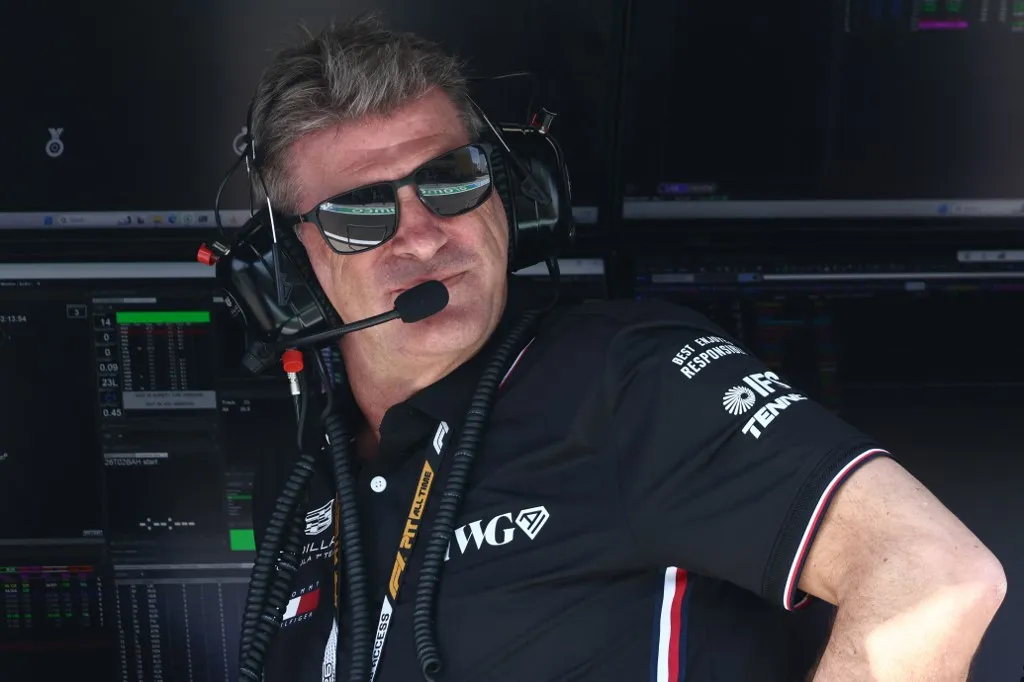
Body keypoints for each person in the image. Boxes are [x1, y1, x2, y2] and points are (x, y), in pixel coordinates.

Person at [248, 15, 1006, 682]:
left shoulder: (628, 381)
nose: (421, 236)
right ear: (292, 269)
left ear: (511, 197)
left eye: (450, 180)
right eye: (359, 214)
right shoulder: (311, 481)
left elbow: (934, 577)